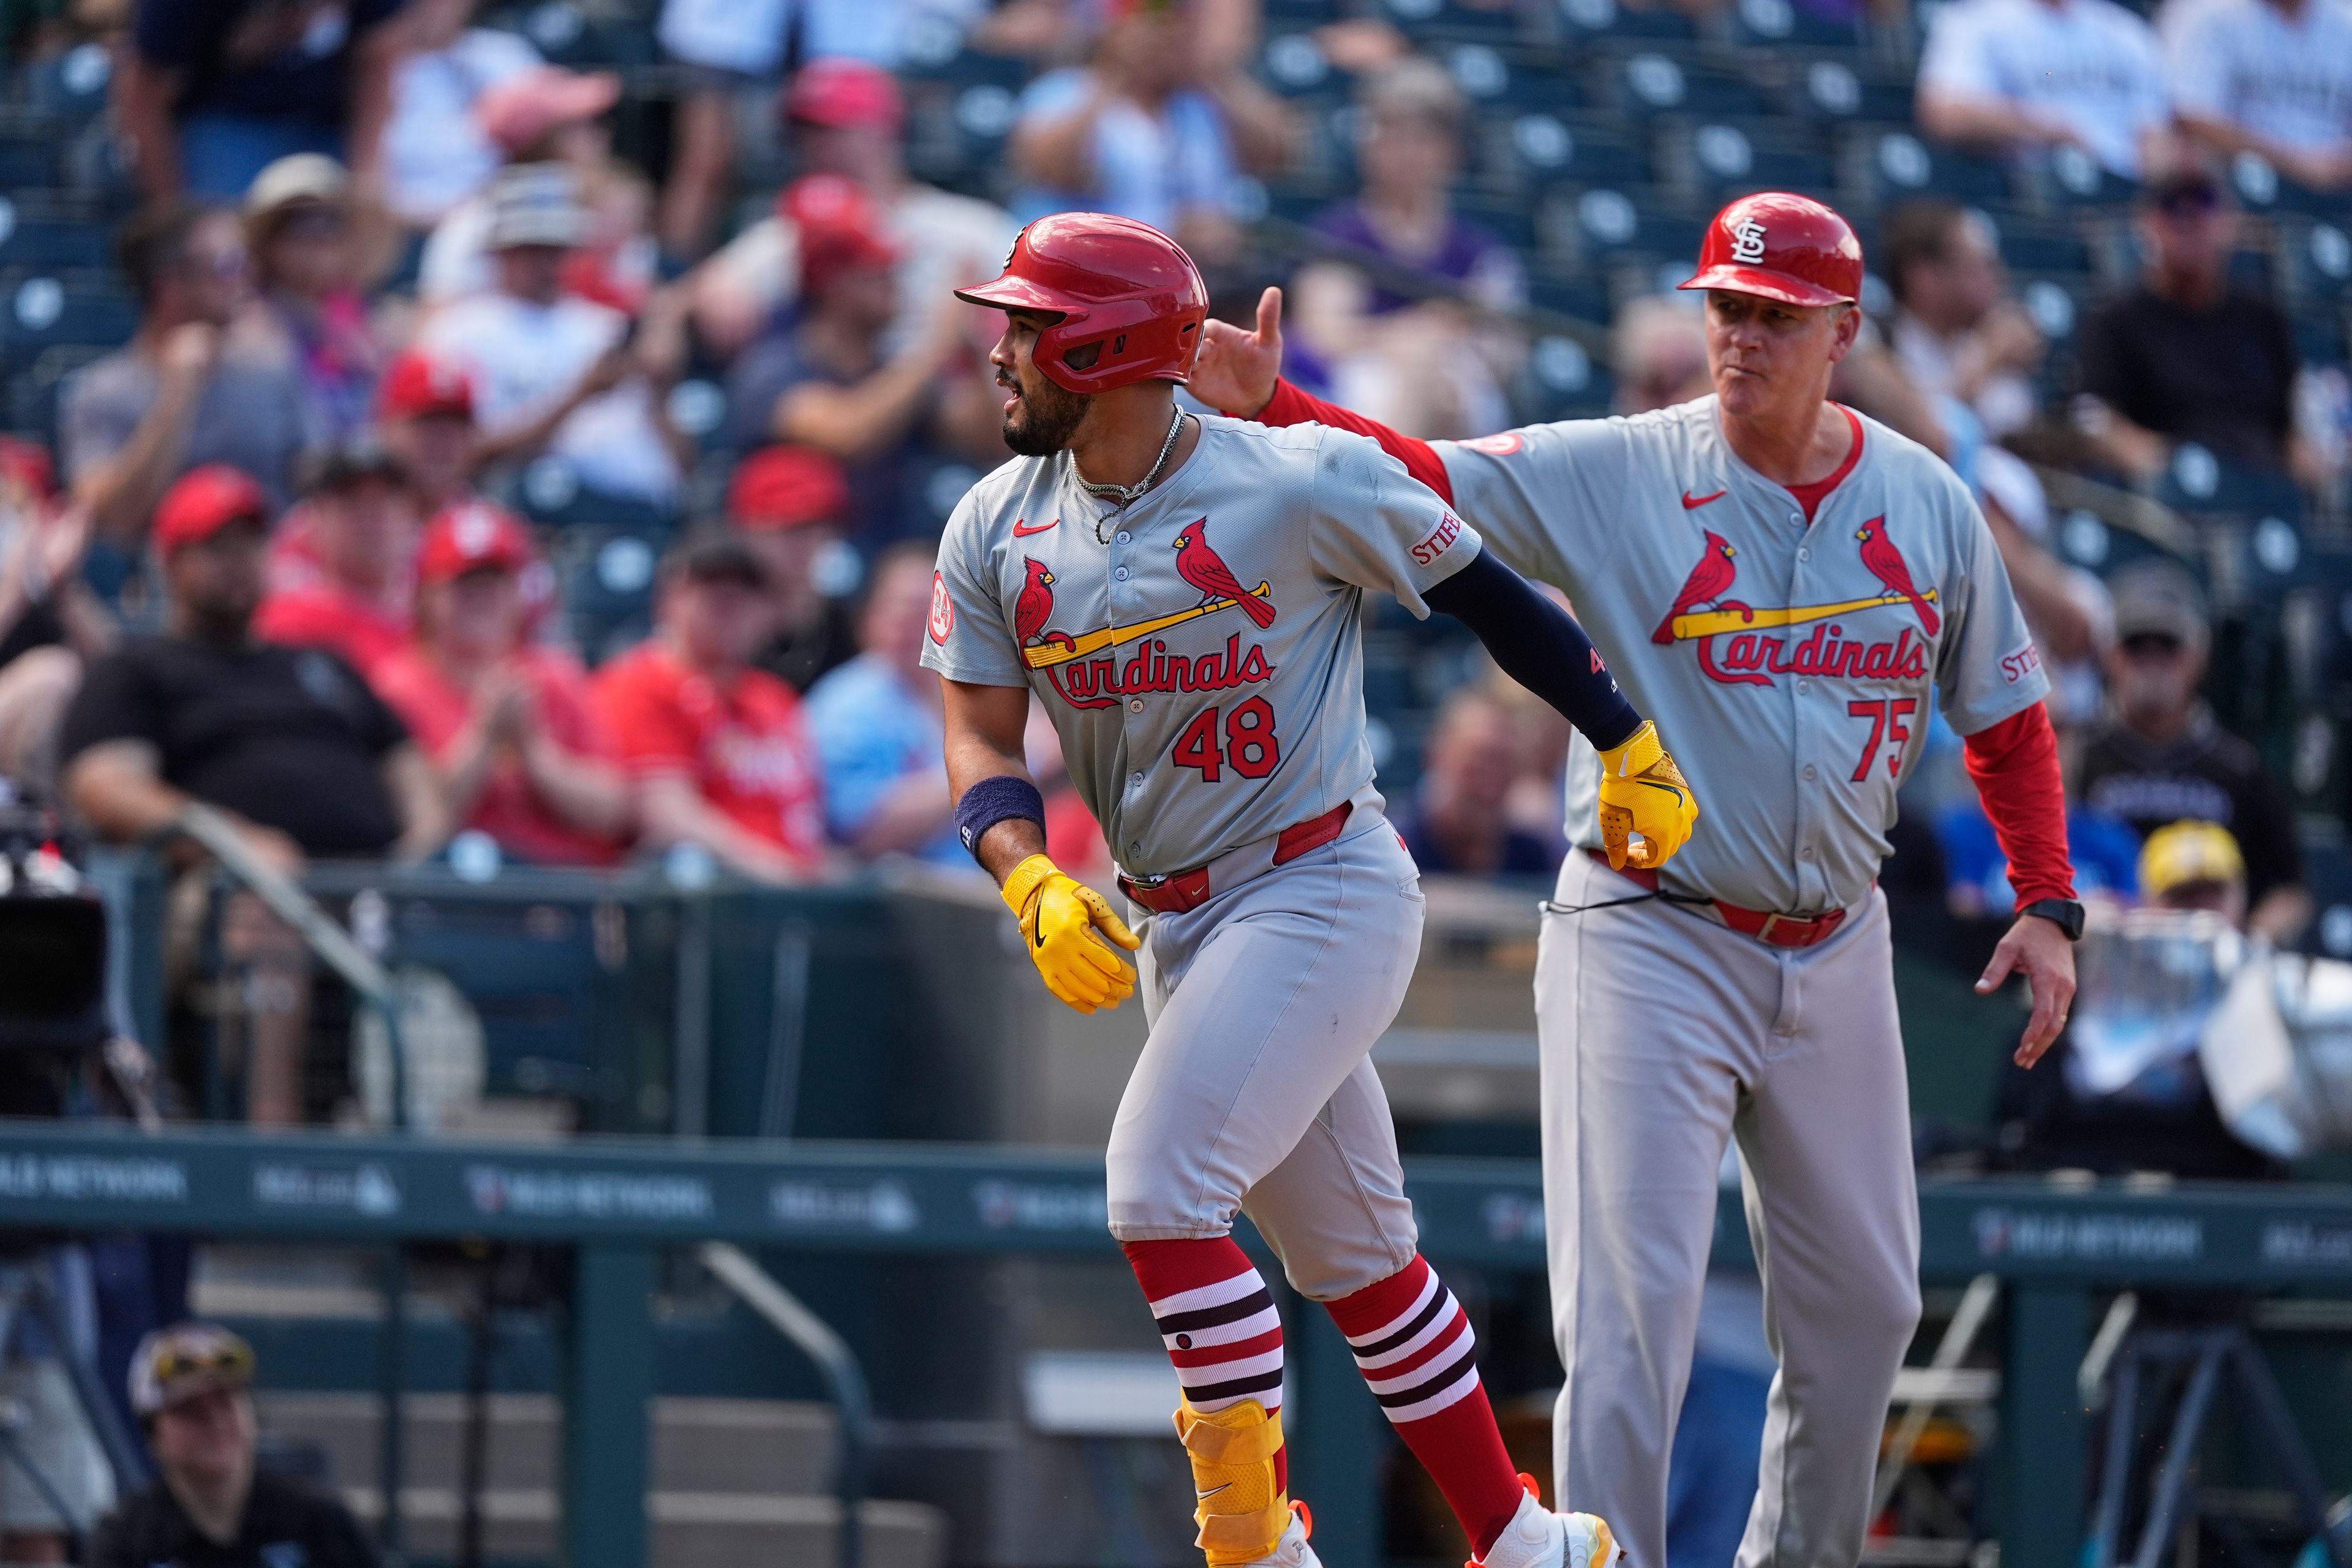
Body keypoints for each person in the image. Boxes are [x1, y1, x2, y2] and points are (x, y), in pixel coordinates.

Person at [1188, 190, 2080, 1568]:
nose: (1742, 337)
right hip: (1650, 927)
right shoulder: (1624, 467)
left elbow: (2009, 719)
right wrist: (1278, 404)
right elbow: (1426, 475)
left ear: (1842, 330)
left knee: (1869, 1309)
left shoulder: (1923, 499)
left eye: (1775, 317)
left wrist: (2048, 896)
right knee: (1628, 1324)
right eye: (1726, 307)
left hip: (1837, 936)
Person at [930, 214, 1697, 1568]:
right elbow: (984, 740)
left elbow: (1491, 593)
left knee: (1161, 1191)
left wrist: (1622, 734)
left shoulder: (1292, 479)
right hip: (1175, 914)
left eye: (1028, 326)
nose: (1000, 349)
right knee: (1361, 1262)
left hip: (1321, 882)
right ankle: (1525, 1540)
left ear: (1105, 347)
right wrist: (1027, 872)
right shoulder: (995, 523)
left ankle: (1254, 1545)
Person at [58, 466, 446, 1122]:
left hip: (368, 888)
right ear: (173, 561)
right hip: (212, 893)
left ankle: (456, 1160)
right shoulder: (140, 669)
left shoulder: (318, 663)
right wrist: (231, 841)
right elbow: (104, 783)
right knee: (265, 907)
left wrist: (416, 854)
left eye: (251, 544)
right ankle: (273, 1151)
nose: (240, 564)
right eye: (218, 548)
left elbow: (412, 771)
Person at [722, 176, 1002, 551]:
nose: (895, 284)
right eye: (878, 272)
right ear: (834, 283)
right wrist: (937, 343)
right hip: (798, 562)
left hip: (890, 557)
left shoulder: (892, 371)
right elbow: (849, 432)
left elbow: (987, 442)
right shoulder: (772, 368)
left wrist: (973, 353)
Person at [1996, 821, 2286, 1180]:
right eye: (2182, 898)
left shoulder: (2260, 970)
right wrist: (2074, 935)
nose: (2198, 915)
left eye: (2212, 897)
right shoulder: (2108, 953)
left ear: (2239, 902)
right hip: (2094, 1151)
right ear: (2149, 902)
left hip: (2215, 1162)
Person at [684, 59, 1019, 360]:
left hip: (951, 404)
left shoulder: (972, 227)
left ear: (887, 128)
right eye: (805, 134)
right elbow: (703, 288)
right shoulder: (795, 231)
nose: (817, 147)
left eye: (835, 131)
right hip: (845, 399)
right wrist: (711, 290)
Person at [416, 164, 692, 507]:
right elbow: (463, 454)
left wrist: (661, 390)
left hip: (633, 506)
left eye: (555, 246)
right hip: (530, 507)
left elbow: (680, 466)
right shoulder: (458, 331)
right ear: (500, 250)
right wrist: (579, 396)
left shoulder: (607, 327)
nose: (545, 261)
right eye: (531, 246)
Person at [373, 502, 630, 865]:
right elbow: (411, 825)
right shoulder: (396, 687)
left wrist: (535, 754)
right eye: (464, 582)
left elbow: (611, 813)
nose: (481, 596)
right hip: (449, 887)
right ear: (427, 596)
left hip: (556, 883)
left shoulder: (556, 676)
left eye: (494, 581)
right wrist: (483, 739)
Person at [1282, 58, 1523, 440]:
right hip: (1358, 383)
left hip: (1456, 381)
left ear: (1452, 151)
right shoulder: (1341, 236)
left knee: (1461, 386)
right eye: (1392, 136)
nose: (1407, 153)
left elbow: (1504, 353)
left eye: (1423, 139)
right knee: (1414, 369)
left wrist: (1445, 349)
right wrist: (1416, 334)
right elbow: (1325, 337)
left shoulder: (1480, 252)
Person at [2074, 559, 2310, 938]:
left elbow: (2289, 891)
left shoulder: (2238, 766)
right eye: (2138, 647)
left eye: (2167, 647)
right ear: (2112, 656)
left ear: (2198, 657)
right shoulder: (2077, 756)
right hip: (2101, 961)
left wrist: (2243, 945)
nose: (2153, 664)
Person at [61, 203, 309, 548]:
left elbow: (316, 492)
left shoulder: (271, 375)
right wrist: (178, 393)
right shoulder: (100, 393)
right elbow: (114, 520)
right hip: (159, 592)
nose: (248, 277)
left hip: (279, 585)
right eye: (228, 266)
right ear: (170, 287)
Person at [595, 532, 827, 883]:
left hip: (792, 897)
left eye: (747, 592)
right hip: (713, 900)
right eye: (711, 589)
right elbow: (665, 815)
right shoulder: (641, 681)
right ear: (670, 599)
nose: (730, 604)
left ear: (769, 613)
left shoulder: (776, 698)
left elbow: (806, 822)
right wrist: (779, 873)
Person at [1007, 1, 1292, 264]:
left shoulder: (1201, 102)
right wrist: (1116, 72)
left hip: (1191, 275)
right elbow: (1048, 169)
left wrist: (1210, 72)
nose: (1159, 41)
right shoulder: (1066, 90)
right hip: (1081, 265)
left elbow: (1276, 154)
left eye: (1172, 30)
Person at [2073, 160, 2304, 480]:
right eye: (2171, 208)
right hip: (2170, 495)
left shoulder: (2264, 319)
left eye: (2205, 205)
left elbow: (2293, 426)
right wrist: (2143, 453)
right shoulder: (2115, 321)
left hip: (2259, 482)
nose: (2188, 220)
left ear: (2229, 223)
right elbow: (2091, 415)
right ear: (2147, 224)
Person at [87, 1323, 379, 1568]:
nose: (214, 1421)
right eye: (190, 1411)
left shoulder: (318, 1523)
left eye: (226, 1403)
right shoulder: (127, 1540)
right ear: (153, 1437)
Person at [115, 0, 412, 202]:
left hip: (329, 125)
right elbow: (144, 89)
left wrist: (366, 181)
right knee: (227, 248)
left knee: (338, 239)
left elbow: (377, 57)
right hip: (226, 122)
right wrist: (172, 206)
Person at [418, 66, 646, 309]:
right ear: (538, 143)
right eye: (579, 127)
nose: (601, 136)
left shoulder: (616, 211)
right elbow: (437, 324)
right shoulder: (475, 224)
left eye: (599, 123)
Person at [805, 543, 964, 865]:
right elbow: (864, 830)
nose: (921, 625)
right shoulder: (845, 703)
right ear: (870, 619)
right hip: (897, 899)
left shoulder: (970, 692)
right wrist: (991, 772)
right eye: (907, 611)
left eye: (936, 608)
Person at [229, 154, 393, 443]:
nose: (317, 236)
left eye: (331, 222)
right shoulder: (248, 327)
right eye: (298, 223)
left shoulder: (380, 322)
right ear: (267, 244)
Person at [1915, 0, 2171, 176]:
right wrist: (2051, 129)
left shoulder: (2126, 30)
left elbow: (2156, 132)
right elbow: (1945, 114)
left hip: (2122, 185)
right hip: (2034, 180)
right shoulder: (1974, 20)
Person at [253, 437, 420, 680]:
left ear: (410, 517)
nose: (371, 520)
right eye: (352, 504)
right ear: (316, 522)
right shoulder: (292, 624)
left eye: (384, 502)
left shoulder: (436, 618)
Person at [1880, 200, 2043, 442]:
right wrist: (1987, 357)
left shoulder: (1986, 332)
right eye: (1977, 266)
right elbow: (1927, 431)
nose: (1996, 277)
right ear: (1923, 277)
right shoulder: (1879, 341)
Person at [380, 0, 544, 227]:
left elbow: (548, 154)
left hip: (500, 227)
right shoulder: (373, 67)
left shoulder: (505, 55)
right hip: (395, 229)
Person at [2166, 0, 2352, 193]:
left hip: (2339, 186)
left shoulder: (2345, 20)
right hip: (2239, 184)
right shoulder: (2205, 12)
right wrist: (2296, 163)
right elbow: (2190, 116)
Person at [729, 444, 862, 691]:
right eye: (791, 528)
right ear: (746, 531)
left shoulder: (849, 629)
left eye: (823, 527)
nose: (810, 543)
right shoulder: (720, 626)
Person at [1396, 687, 1563, 878]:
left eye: (1505, 762)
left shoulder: (1531, 858)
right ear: (1437, 756)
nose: (1490, 785)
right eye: (1478, 762)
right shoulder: (1397, 848)